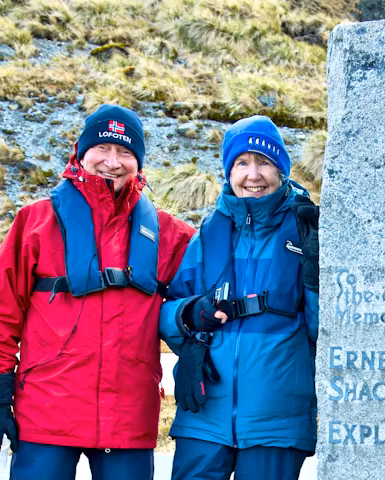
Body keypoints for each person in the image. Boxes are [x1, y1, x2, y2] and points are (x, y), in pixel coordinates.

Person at [0, 104, 195, 480]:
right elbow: (0, 316)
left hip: (128, 422)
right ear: (81, 152)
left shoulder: (171, 236)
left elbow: (206, 295)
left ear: (138, 162)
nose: (113, 161)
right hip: (44, 420)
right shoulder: (34, 223)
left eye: (125, 152)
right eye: (102, 148)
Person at [159, 115, 320, 480]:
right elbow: (164, 312)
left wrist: (314, 282)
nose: (254, 174)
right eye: (242, 163)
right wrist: (187, 314)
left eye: (264, 162)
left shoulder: (308, 230)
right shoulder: (208, 234)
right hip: (203, 416)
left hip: (275, 423)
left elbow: (326, 330)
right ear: (228, 171)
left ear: (281, 170)